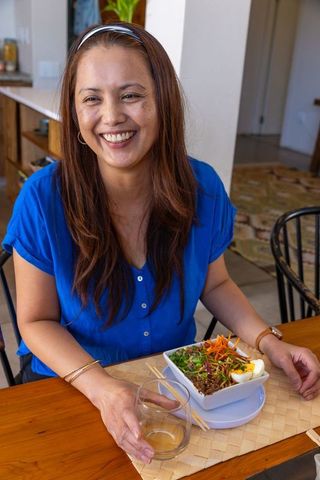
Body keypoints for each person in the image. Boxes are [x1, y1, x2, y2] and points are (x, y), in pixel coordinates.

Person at [2, 22, 320, 464]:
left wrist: (269, 341)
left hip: (173, 382)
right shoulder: (42, 198)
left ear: (162, 102)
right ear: (75, 114)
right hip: (70, 383)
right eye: (92, 98)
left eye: (131, 95)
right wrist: (105, 390)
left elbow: (217, 285)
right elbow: (35, 322)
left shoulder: (203, 187)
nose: (111, 116)